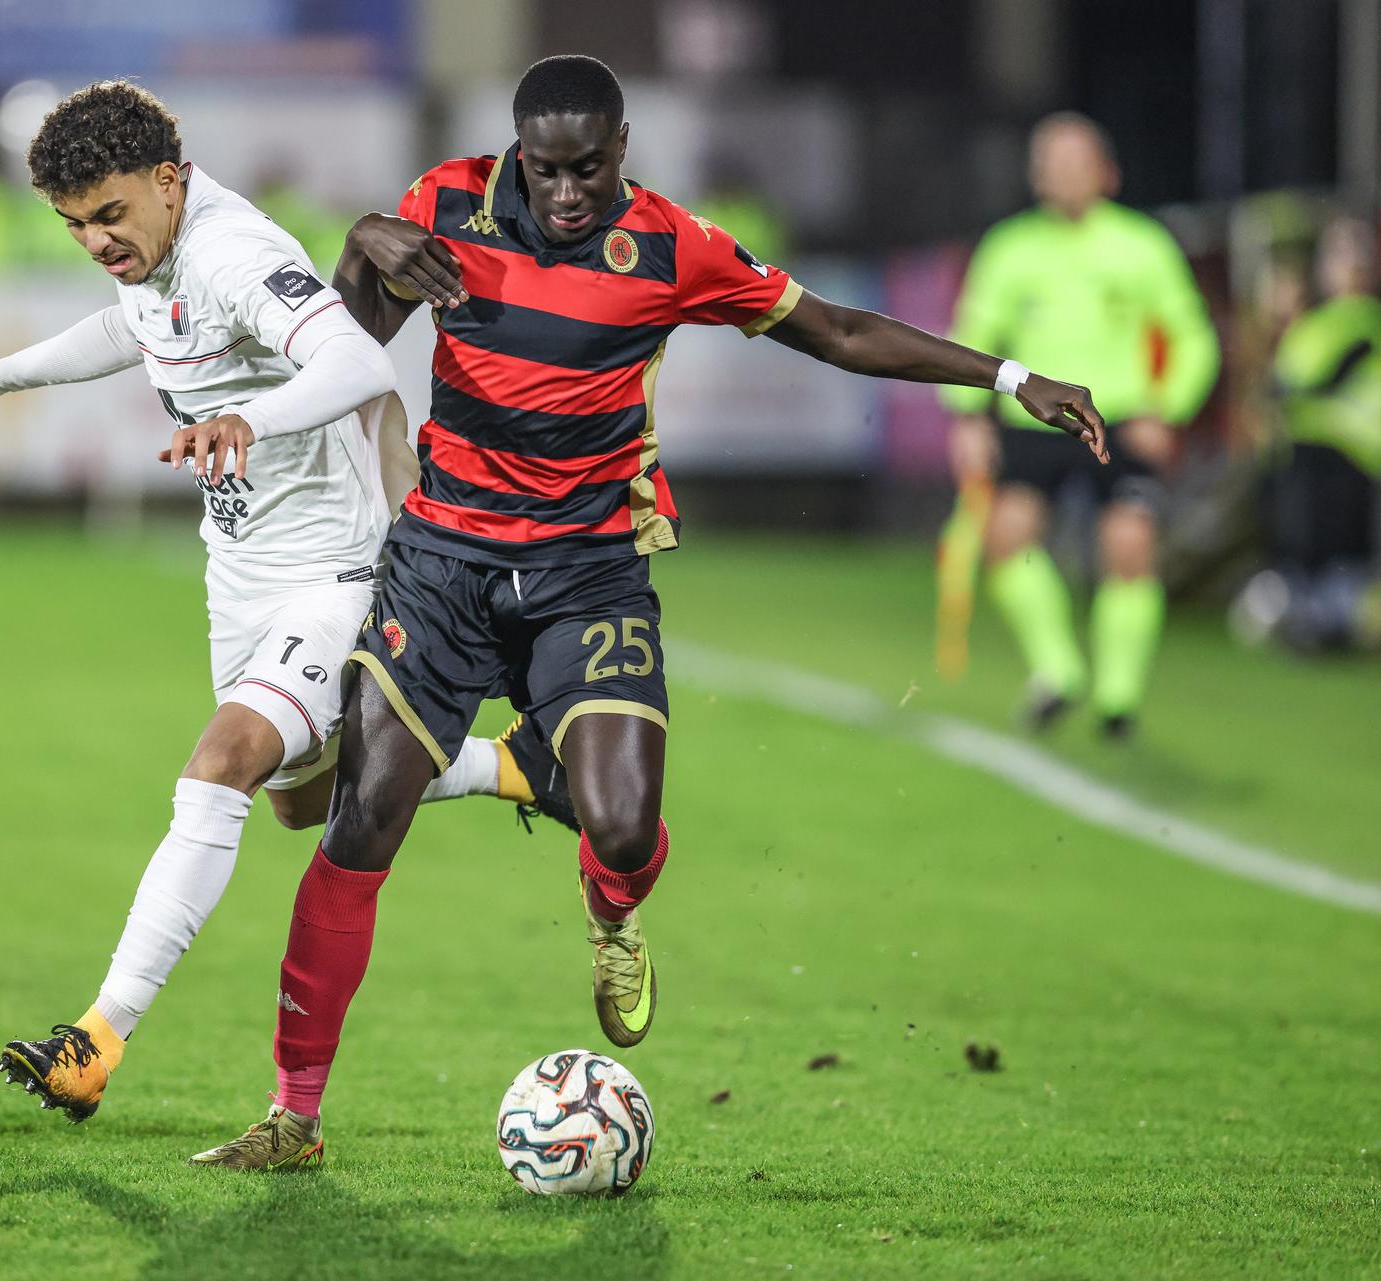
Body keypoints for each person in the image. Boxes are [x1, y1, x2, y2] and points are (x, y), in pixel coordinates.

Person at [190, 55, 1108, 1170]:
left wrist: (1015, 381)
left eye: (587, 170)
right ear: (517, 152)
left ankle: (613, 910)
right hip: (441, 560)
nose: (566, 194)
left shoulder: (678, 249)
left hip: (587, 569)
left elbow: (843, 334)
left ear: (622, 150)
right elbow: (345, 349)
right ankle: (295, 1118)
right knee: (362, 819)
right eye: (546, 170)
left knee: (623, 824)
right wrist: (363, 247)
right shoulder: (447, 203)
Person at [0, 82, 570, 1124]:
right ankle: (512, 767)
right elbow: (132, 329)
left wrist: (247, 416)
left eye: (110, 216)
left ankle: (95, 1039)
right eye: (75, 225)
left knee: (220, 765)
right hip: (242, 563)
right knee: (297, 799)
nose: (96, 241)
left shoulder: (233, 252)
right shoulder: (154, 255)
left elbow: (349, 355)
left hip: (340, 563)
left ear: (169, 181)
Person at [942, 113, 1219, 739]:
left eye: (1074, 160)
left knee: (1130, 546)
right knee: (1006, 537)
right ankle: (1058, 673)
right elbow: (971, 337)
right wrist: (966, 417)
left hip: (1119, 420)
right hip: (1037, 419)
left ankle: (1118, 700)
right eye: (1049, 160)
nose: (1060, 172)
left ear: (1106, 171)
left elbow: (1194, 338)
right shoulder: (1009, 247)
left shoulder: (1142, 244)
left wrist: (1165, 408)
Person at [1234, 216, 1381, 651]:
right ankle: (1310, 620)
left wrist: (1287, 392)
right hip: (1303, 449)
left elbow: (1329, 376)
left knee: (1340, 543)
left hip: (1351, 452)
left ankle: (1335, 624)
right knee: (1301, 539)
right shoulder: (1314, 321)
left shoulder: (1365, 318)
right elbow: (1279, 377)